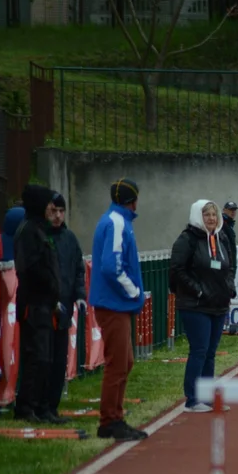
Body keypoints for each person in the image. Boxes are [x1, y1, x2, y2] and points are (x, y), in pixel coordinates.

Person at [89, 178, 148, 442]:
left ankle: (113, 416)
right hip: (113, 303)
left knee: (125, 362)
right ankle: (110, 420)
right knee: (118, 363)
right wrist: (134, 292)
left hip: (115, 302)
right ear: (133, 200)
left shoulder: (115, 220)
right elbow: (111, 267)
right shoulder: (116, 222)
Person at [170, 200, 236, 413]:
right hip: (195, 304)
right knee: (199, 350)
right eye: (206, 214)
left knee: (210, 352)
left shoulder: (221, 237)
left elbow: (230, 266)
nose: (211, 219)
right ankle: (192, 399)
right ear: (198, 216)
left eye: (214, 215)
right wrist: (197, 289)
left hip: (218, 303)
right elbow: (177, 270)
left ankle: (207, 397)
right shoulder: (187, 239)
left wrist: (229, 287)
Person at [13, 185, 65, 425]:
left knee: (47, 358)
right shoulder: (28, 232)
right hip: (34, 304)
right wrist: (48, 284)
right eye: (47, 206)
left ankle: (42, 406)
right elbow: (31, 267)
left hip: (45, 303)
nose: (50, 210)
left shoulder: (39, 230)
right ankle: (27, 406)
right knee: (36, 357)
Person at [45, 192, 89, 420]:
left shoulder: (69, 238)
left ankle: (52, 405)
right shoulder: (39, 236)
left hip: (64, 310)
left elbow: (78, 270)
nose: (58, 216)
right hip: (44, 310)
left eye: (61, 211)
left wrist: (80, 295)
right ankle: (38, 406)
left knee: (60, 360)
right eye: (53, 211)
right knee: (44, 359)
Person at [221, 201, 238, 275]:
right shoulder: (221, 224)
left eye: (234, 210)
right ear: (224, 210)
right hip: (225, 264)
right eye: (230, 210)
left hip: (229, 264)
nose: (233, 212)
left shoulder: (228, 224)